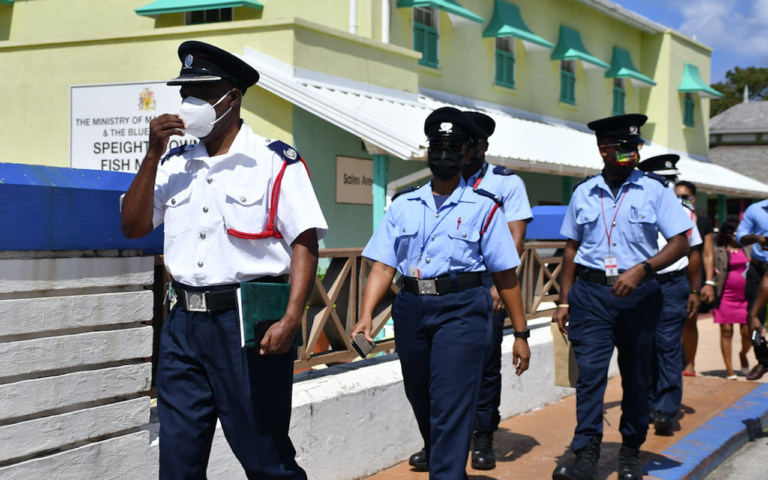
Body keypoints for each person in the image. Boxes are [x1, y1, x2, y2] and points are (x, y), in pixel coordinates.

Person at [120, 41, 327, 480]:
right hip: (182, 326)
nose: (189, 103)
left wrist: (292, 318)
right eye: (185, 93)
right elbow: (132, 226)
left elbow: (305, 242)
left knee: (266, 460)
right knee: (177, 463)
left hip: (246, 325)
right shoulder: (173, 164)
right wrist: (152, 153)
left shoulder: (274, 162)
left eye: (202, 92)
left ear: (232, 97)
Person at [351, 107, 531, 480]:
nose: (444, 153)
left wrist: (521, 333)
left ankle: (446, 473)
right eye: (437, 146)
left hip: (461, 310)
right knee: (421, 398)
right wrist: (366, 315)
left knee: (451, 401)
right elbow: (383, 266)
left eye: (454, 147)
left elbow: (505, 274)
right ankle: (445, 466)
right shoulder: (403, 204)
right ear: (428, 151)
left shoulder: (485, 208)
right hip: (411, 308)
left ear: (467, 153)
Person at [552, 114, 693, 480]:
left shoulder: (655, 190)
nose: (632, 152)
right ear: (604, 149)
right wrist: (564, 300)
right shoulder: (584, 192)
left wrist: (643, 269)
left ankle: (631, 449)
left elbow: (681, 242)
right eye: (624, 146)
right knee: (590, 377)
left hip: (639, 296)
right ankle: (586, 452)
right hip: (591, 295)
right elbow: (571, 249)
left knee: (636, 377)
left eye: (636, 146)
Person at [406, 111, 533, 472]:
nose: (458, 150)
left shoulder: (505, 183)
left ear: (482, 145)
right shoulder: (440, 180)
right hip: (438, 290)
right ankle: (438, 445)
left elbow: (514, 240)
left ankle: (483, 435)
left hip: (487, 283)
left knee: (486, 363)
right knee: (438, 372)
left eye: (467, 143)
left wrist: (496, 287)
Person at [637, 155, 702, 436]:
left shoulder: (684, 213)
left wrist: (696, 289)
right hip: (641, 285)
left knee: (667, 345)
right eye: (662, 180)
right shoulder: (635, 206)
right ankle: (648, 402)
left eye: (671, 180)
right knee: (644, 345)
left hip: (673, 285)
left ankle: (665, 408)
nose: (668, 185)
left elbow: (694, 251)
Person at [676, 180, 715, 376]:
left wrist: (708, 283)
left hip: (693, 277)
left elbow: (707, 254)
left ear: (693, 198)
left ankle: (690, 363)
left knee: (690, 320)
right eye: (676, 196)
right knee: (671, 320)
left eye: (684, 197)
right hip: (672, 275)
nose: (680, 200)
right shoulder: (669, 218)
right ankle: (674, 361)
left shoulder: (703, 222)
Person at [712, 219, 753, 379]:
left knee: (748, 333)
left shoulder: (749, 248)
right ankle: (729, 369)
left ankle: (743, 354)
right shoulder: (718, 250)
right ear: (729, 233)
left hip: (746, 297)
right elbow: (709, 266)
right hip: (725, 296)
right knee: (726, 331)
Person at [735, 199, 768, 380]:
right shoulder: (755, 209)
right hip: (758, 269)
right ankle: (763, 360)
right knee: (753, 318)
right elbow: (741, 236)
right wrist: (757, 238)